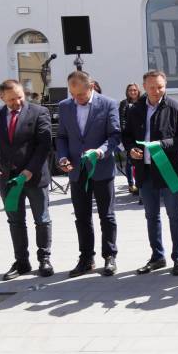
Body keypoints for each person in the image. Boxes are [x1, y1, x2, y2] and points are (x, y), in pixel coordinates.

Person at [0, 79, 53, 280]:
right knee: (15, 221)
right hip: (8, 178)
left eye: (20, 97)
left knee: (42, 219)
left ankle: (44, 259)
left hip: (34, 176)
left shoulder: (39, 112)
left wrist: (29, 170)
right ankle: (22, 262)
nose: (17, 102)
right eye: (11, 99)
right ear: (2, 97)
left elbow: (44, 145)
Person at [123, 70, 178, 276]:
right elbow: (126, 136)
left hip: (168, 169)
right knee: (151, 216)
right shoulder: (135, 109)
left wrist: (161, 145)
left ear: (165, 85)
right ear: (144, 87)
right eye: (152, 87)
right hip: (144, 172)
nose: (156, 91)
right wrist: (130, 149)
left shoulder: (177, 107)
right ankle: (157, 256)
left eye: (160, 87)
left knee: (174, 215)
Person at [56, 71, 121, 277]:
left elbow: (115, 135)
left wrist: (100, 151)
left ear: (91, 87)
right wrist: (63, 157)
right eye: (73, 94)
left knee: (106, 215)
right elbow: (62, 136)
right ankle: (86, 258)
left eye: (81, 94)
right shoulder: (65, 106)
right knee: (81, 217)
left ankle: (109, 256)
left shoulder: (108, 104)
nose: (77, 98)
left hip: (101, 168)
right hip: (77, 170)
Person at [119, 83, 141, 194]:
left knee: (140, 159)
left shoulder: (142, 102)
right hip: (129, 135)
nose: (133, 92)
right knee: (129, 161)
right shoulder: (124, 103)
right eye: (130, 90)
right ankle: (131, 184)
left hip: (140, 135)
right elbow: (122, 119)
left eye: (134, 90)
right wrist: (124, 132)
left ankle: (139, 184)